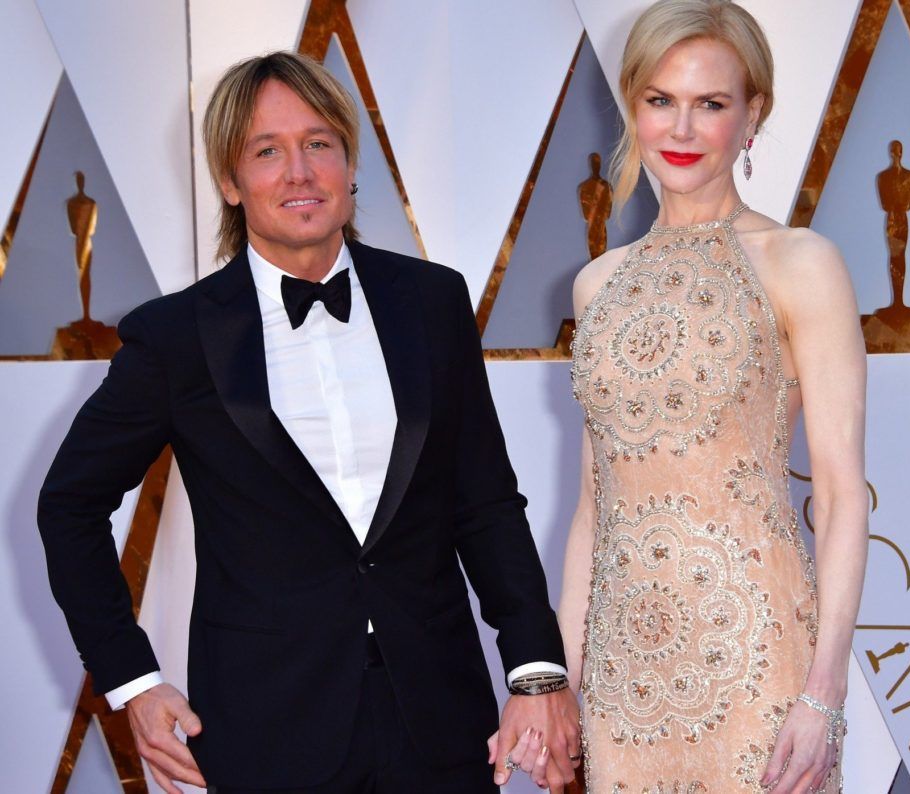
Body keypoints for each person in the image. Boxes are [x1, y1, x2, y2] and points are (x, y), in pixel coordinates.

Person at [37, 51, 580, 794]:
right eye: (267, 151)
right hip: (264, 731)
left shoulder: (432, 302)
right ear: (230, 182)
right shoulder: (177, 337)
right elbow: (68, 505)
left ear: (349, 164)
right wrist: (132, 680)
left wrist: (537, 672)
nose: (299, 172)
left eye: (318, 143)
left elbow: (483, 501)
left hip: (440, 719)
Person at [535, 1, 868, 791]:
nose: (681, 130)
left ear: (752, 114)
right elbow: (593, 506)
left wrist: (824, 691)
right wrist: (564, 684)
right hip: (626, 671)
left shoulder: (800, 262)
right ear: (633, 106)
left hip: (757, 654)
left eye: (710, 104)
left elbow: (844, 495)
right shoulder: (598, 284)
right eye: (660, 101)